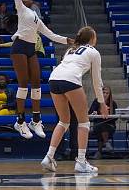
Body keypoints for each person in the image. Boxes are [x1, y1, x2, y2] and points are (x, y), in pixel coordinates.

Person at [0, 0, 71, 140]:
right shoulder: (21, 8)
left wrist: (69, 40)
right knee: (23, 82)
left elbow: (52, 36)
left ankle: (36, 120)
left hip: (31, 49)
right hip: (18, 47)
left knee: (37, 82)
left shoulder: (37, 19)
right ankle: (20, 121)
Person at [40, 26, 107, 174]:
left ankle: (49, 157)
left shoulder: (70, 50)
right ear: (91, 38)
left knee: (63, 121)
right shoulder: (94, 52)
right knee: (84, 122)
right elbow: (97, 81)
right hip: (70, 80)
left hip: (54, 79)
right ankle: (81, 162)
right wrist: (102, 102)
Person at [89, 86, 118, 159]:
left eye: (107, 93)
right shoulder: (96, 102)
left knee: (102, 128)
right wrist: (95, 113)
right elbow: (90, 113)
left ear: (110, 94)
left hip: (110, 125)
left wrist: (108, 115)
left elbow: (115, 117)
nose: (105, 95)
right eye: (103, 93)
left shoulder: (113, 103)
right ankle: (106, 142)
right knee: (100, 128)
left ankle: (99, 152)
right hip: (98, 124)